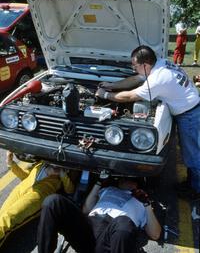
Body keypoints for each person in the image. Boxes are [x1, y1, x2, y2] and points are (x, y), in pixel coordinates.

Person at [96, 45, 200, 200]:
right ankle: (193, 183)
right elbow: (135, 79)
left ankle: (196, 190)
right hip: (190, 109)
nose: (133, 68)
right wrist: (112, 86)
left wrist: (105, 95)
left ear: (145, 65)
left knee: (192, 155)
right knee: (190, 152)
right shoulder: (161, 64)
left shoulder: (158, 79)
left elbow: (130, 97)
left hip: (190, 115)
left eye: (135, 65)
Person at [37, 177, 161, 253]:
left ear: (137, 183)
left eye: (129, 179)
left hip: (111, 241)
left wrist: (147, 204)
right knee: (52, 201)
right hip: (87, 232)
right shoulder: (108, 190)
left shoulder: (141, 201)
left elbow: (155, 234)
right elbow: (86, 210)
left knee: (124, 221)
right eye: (122, 178)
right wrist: (98, 182)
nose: (124, 180)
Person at [0, 150, 75, 247]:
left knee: (7, 218)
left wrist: (62, 173)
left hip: (37, 197)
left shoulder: (58, 179)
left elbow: (70, 190)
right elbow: (25, 177)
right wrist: (11, 163)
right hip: (21, 189)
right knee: (1, 215)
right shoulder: (40, 163)